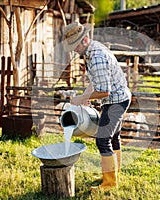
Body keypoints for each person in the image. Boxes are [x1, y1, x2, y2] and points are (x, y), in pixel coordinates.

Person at [62, 22, 131, 190]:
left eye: (75, 46)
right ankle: (113, 173)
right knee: (113, 137)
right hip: (118, 97)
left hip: (116, 101)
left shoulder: (97, 56)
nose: (74, 50)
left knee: (102, 140)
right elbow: (96, 82)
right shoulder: (91, 52)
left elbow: (104, 91)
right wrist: (87, 96)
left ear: (84, 40)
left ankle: (109, 183)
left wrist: (81, 98)